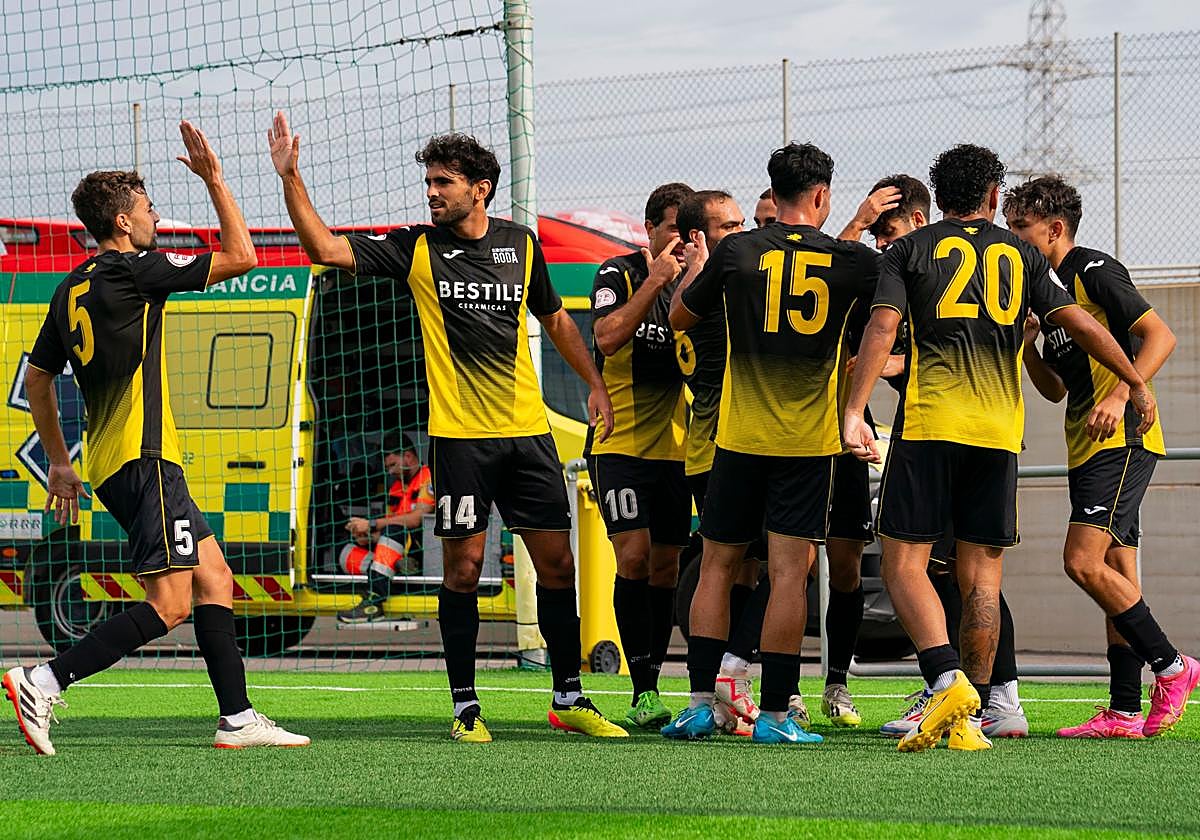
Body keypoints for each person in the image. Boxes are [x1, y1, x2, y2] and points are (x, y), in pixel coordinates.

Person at [268, 112, 626, 743]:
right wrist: (291, 178)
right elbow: (325, 249)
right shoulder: (417, 248)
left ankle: (569, 697)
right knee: (463, 569)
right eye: (429, 182)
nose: (432, 192)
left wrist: (595, 384)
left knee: (558, 565)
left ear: (479, 189)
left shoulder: (522, 244)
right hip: (460, 441)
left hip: (528, 435)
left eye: (443, 182)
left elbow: (554, 320)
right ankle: (466, 708)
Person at [2, 123, 309, 754]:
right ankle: (44, 680)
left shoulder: (70, 287)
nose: (157, 217)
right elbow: (244, 256)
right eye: (148, 208)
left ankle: (237, 718)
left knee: (216, 577)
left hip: (115, 462)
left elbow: (36, 380)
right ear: (122, 221)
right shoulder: (135, 269)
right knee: (170, 604)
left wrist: (60, 463)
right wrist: (215, 179)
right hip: (145, 461)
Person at [844, 144, 1157, 753]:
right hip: (997, 432)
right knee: (982, 579)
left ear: (938, 197)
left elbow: (882, 327)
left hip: (932, 424)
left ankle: (946, 681)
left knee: (905, 564)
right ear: (993, 195)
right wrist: (1135, 381)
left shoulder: (909, 249)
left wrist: (855, 411)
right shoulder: (1021, 252)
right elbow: (1082, 323)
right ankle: (974, 714)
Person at [663, 142, 879, 745]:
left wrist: (698, 270)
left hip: (737, 438)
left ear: (774, 192)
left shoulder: (736, 251)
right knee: (788, 575)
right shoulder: (851, 261)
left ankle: (701, 704)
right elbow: (886, 324)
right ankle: (779, 716)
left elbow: (680, 317)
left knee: (716, 565)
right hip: (807, 445)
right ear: (822, 195)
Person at [1005, 174, 1197, 738]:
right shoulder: (1042, 293)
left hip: (1122, 441)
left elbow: (1160, 336)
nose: (1012, 238)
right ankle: (1124, 708)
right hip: (1086, 445)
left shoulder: (1092, 269)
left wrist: (1120, 393)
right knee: (1115, 570)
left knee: (1081, 562)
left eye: (1020, 228)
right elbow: (1055, 390)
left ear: (1054, 229)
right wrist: (1027, 346)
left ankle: (1172, 666)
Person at [845, 175, 1029, 739]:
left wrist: (863, 394)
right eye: (874, 234)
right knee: (968, 573)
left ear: (923, 219)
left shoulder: (915, 261)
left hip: (935, 431)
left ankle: (964, 688)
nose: (881, 242)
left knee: (925, 567)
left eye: (889, 229)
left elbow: (893, 334)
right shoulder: (997, 259)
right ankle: (983, 703)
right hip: (992, 431)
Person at [586, 182, 692, 729]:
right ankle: (642, 689)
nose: (681, 240)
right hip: (620, 444)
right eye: (673, 228)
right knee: (633, 557)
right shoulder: (619, 272)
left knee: (667, 565)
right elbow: (605, 338)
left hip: (677, 450)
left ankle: (661, 676)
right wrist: (654, 282)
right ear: (650, 229)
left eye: (689, 231)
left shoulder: (698, 284)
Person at [673, 189, 769, 737]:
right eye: (729, 226)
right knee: (788, 565)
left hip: (704, 448)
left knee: (735, 569)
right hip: (730, 447)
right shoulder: (719, 289)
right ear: (698, 237)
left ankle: (706, 699)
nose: (740, 233)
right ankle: (732, 672)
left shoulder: (686, 289)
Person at [337, 436, 435, 623]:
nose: (390, 471)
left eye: (392, 465)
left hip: (422, 549)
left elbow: (416, 519)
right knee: (344, 549)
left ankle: (375, 600)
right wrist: (368, 536)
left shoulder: (429, 478)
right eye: (387, 467)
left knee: (394, 531)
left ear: (408, 457)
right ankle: (392, 572)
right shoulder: (396, 488)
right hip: (397, 549)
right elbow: (389, 524)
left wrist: (372, 524)